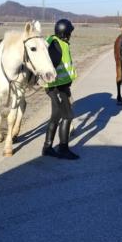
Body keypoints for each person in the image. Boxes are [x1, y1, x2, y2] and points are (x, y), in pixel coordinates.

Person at [42, 18, 79, 159]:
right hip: (57, 88)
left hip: (60, 87)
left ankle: (47, 147)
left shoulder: (57, 42)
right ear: (65, 32)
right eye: (69, 32)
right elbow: (49, 67)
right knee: (67, 116)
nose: (70, 34)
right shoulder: (56, 46)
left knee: (56, 116)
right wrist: (54, 88)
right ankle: (63, 149)